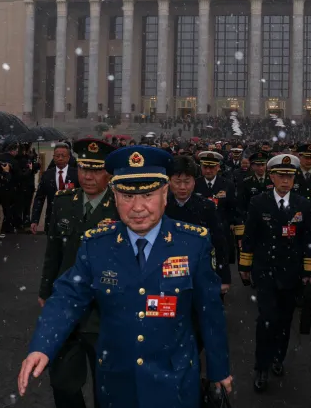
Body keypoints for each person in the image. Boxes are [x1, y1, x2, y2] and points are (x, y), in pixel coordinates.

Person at [18, 146, 232, 408]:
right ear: (116, 196)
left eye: (148, 195)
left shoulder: (192, 243)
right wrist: (42, 345)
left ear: (165, 193)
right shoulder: (97, 244)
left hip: (173, 380)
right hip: (116, 381)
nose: (138, 207)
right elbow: (67, 297)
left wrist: (219, 370)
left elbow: (210, 312)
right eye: (127, 196)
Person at [36, 138, 118, 408]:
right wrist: (45, 290)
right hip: (66, 303)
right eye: (83, 168)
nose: (88, 176)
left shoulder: (121, 205)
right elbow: (53, 252)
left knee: (107, 382)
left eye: (96, 170)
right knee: (62, 379)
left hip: (104, 306)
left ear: (109, 173)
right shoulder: (64, 202)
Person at [239, 153, 311, 393]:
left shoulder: (302, 204)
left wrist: (309, 269)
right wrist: (245, 266)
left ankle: (278, 357)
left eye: (289, 177)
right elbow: (250, 235)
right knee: (266, 319)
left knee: (285, 319)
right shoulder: (259, 202)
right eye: (281, 176)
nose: (285, 181)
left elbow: (309, 238)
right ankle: (261, 366)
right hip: (265, 270)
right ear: (271, 177)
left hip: (291, 271)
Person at [167, 154, 231, 292]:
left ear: (194, 182)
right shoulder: (161, 206)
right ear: (169, 182)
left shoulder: (206, 206)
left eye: (187, 182)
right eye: (177, 182)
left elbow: (219, 242)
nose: (182, 187)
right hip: (168, 271)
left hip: (199, 269)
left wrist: (223, 277)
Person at [195, 150, 241, 267]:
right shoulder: (195, 184)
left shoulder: (227, 184)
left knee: (222, 262)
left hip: (221, 228)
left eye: (212, 167)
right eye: (205, 167)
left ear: (218, 167)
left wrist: (231, 223)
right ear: (201, 167)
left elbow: (232, 206)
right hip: (201, 228)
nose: (208, 170)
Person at [31, 142, 78, 233]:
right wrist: (34, 220)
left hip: (72, 219)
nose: (60, 158)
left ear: (68, 157)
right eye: (57, 156)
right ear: (53, 157)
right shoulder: (47, 175)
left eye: (63, 156)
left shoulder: (76, 174)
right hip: (51, 220)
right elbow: (39, 198)